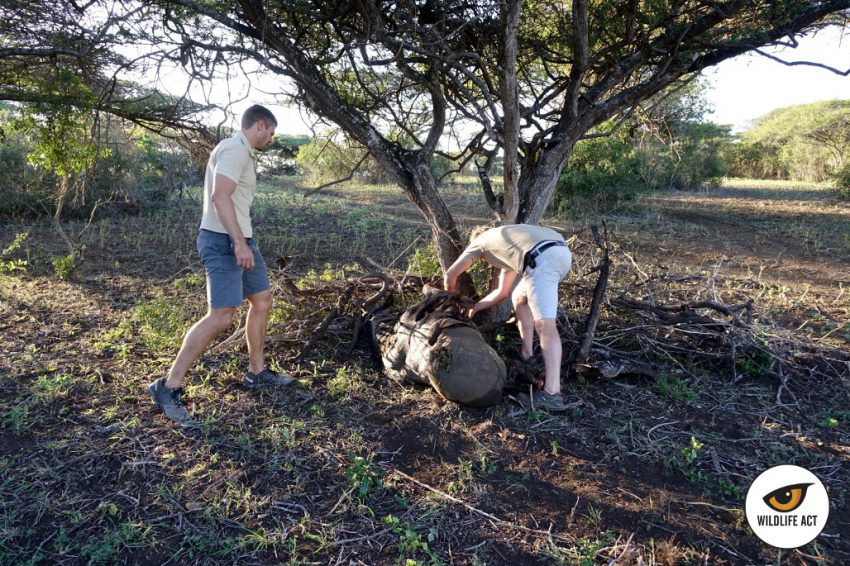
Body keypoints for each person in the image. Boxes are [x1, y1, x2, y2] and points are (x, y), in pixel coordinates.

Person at [149, 105, 292, 425]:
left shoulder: (243, 152)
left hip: (242, 239)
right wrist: (238, 243)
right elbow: (220, 197)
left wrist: (245, 241)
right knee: (222, 315)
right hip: (223, 240)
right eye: (270, 132)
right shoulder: (234, 149)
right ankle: (168, 386)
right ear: (259, 125)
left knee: (262, 299)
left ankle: (257, 372)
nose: (271, 138)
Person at [443, 224, 572, 411]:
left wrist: (450, 303)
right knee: (519, 298)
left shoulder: (479, 241)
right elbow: (502, 292)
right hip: (559, 254)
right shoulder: (508, 244)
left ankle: (552, 393)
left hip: (542, 259)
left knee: (545, 325)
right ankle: (527, 355)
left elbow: (450, 275)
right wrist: (476, 307)